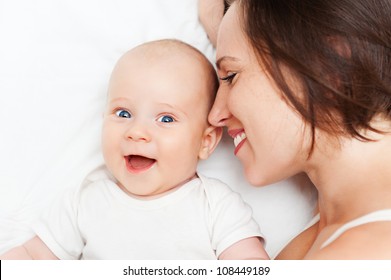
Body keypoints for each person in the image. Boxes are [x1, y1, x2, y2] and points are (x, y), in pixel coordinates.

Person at [0, 39, 268, 260]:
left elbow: (249, 265)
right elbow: (33, 257)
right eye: (123, 113)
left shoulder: (215, 205)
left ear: (205, 142)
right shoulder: (85, 201)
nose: (136, 131)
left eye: (166, 119)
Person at [207, 0, 391, 259]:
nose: (215, 116)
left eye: (231, 76)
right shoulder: (335, 224)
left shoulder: (368, 251)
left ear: (329, 65)